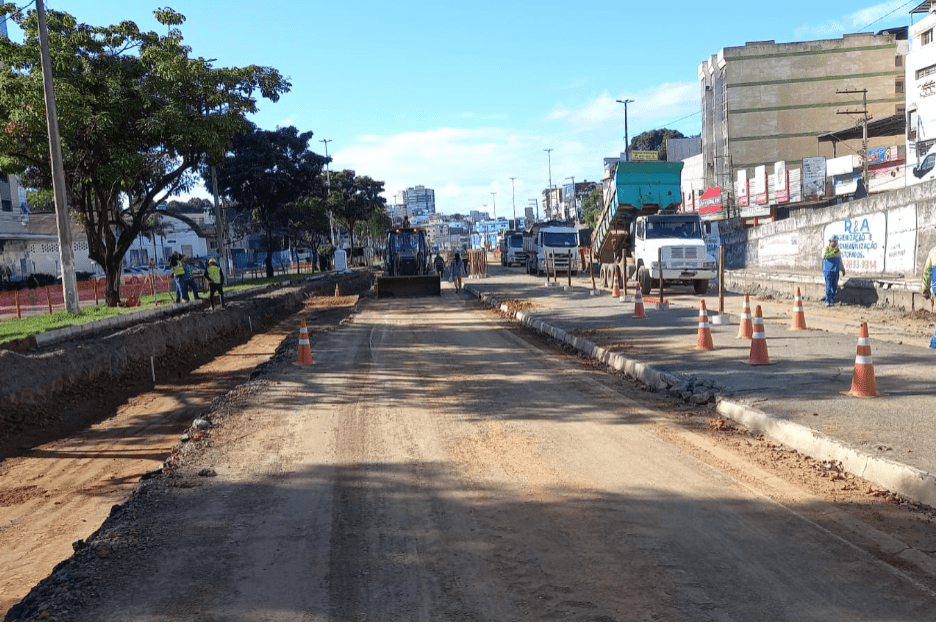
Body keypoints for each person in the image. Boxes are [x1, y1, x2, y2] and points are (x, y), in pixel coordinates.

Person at [822, 235, 846, 306]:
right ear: (830, 241)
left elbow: (840, 260)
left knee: (834, 285)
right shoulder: (826, 248)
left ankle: (832, 299)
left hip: (835, 270)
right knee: (828, 285)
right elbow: (825, 256)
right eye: (834, 242)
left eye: (836, 242)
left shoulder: (837, 250)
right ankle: (827, 300)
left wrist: (842, 269)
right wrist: (833, 253)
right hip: (828, 270)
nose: (835, 243)